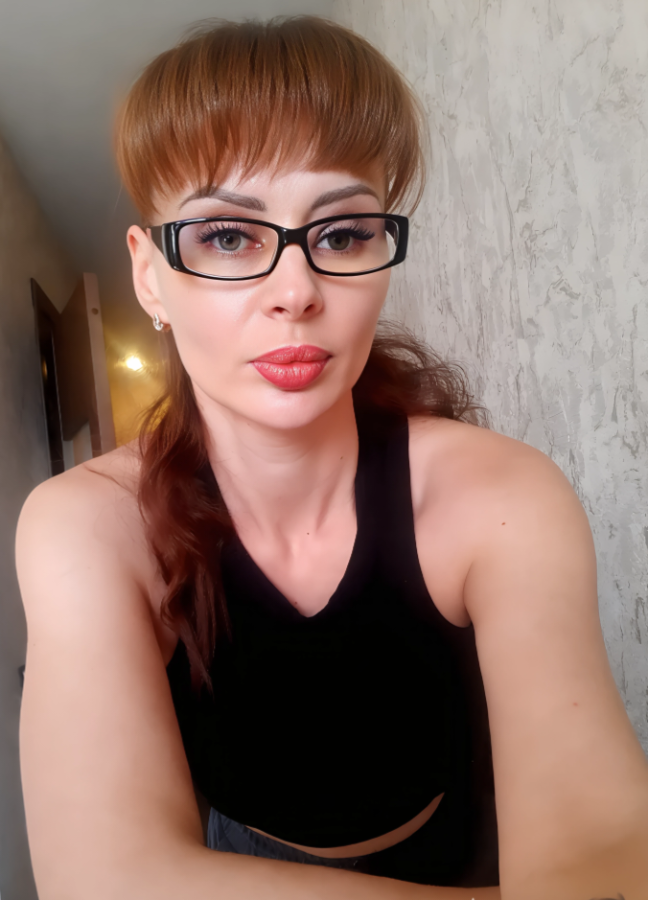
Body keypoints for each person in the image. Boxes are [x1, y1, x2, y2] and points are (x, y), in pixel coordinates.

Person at [16, 16, 648, 900]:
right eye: (227, 236)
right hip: (238, 862)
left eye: (344, 234)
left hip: (466, 845)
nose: (296, 291)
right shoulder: (87, 527)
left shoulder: (501, 496)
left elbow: (603, 859)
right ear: (150, 276)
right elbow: (106, 879)